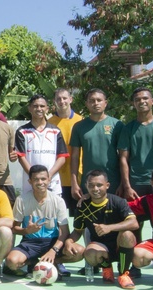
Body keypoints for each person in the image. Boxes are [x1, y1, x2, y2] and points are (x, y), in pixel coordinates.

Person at [117, 87, 153, 279]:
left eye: (145, 98)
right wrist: (127, 185)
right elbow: (123, 158)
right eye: (137, 99)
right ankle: (135, 264)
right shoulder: (128, 128)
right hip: (137, 184)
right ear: (133, 104)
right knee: (135, 226)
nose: (141, 101)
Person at [63, 170, 138, 288]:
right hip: (100, 247)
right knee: (89, 253)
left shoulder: (118, 201)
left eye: (99, 185)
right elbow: (78, 231)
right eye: (91, 185)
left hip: (121, 246)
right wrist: (68, 241)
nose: (95, 189)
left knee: (127, 235)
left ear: (107, 185)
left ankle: (124, 274)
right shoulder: (82, 206)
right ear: (86, 186)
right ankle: (106, 267)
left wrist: (110, 228)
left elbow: (134, 223)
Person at [5, 165, 71, 279]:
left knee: (78, 252)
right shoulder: (21, 200)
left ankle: (54, 261)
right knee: (11, 262)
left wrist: (53, 250)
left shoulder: (58, 201)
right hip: (30, 243)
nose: (40, 182)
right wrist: (27, 230)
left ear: (49, 180)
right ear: (30, 181)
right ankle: (33, 262)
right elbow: (13, 229)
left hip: (52, 242)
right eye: (36, 179)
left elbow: (65, 232)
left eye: (43, 179)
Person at [70, 89, 123, 202]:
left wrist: (123, 183)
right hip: (89, 182)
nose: (96, 103)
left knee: (114, 215)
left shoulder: (117, 125)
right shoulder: (79, 126)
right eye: (92, 101)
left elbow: (124, 156)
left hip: (113, 181)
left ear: (105, 103)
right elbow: (74, 156)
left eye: (99, 100)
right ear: (87, 104)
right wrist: (74, 183)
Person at [15, 94, 68, 199]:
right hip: (30, 185)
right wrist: (34, 177)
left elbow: (62, 157)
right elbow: (21, 157)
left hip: (53, 184)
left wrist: (48, 176)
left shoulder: (55, 131)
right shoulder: (22, 131)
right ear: (29, 108)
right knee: (31, 215)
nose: (39, 109)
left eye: (42, 106)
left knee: (52, 215)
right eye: (35, 106)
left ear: (47, 108)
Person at [49, 88, 84, 224]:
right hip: (57, 178)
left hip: (78, 177)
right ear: (54, 102)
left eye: (64, 98)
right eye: (58, 99)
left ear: (71, 99)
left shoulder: (81, 121)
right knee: (58, 218)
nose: (62, 101)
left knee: (79, 218)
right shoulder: (49, 123)